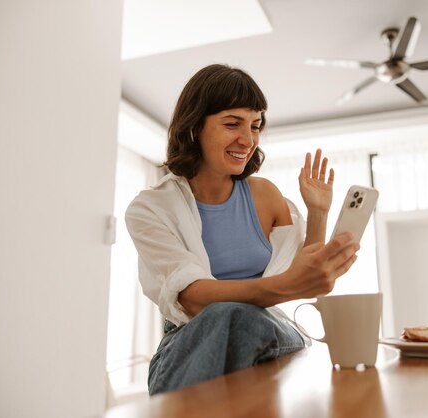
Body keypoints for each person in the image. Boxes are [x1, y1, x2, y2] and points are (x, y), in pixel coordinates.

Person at [125, 64, 360, 395]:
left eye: (255, 125)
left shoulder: (265, 196)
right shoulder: (150, 209)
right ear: (194, 127)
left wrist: (318, 213)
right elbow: (193, 298)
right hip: (189, 344)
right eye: (232, 124)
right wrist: (288, 285)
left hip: (269, 333)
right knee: (230, 316)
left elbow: (303, 273)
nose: (248, 139)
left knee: (249, 321)